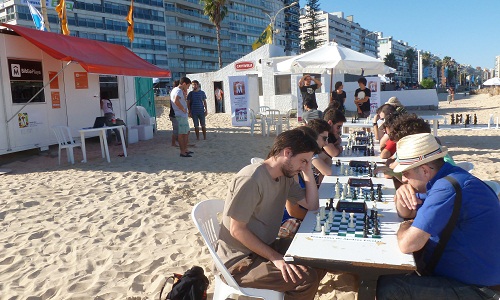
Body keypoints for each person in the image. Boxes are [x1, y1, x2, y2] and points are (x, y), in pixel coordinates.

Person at [376, 133, 500, 300]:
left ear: (425, 170)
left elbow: (408, 244)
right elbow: (406, 212)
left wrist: (403, 227)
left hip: (479, 290)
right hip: (464, 278)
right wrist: (402, 192)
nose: (403, 179)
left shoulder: (446, 188)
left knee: (390, 288)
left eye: (406, 173)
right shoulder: (446, 178)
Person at [217, 129, 326, 299]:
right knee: (305, 279)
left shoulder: (285, 176)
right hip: (240, 262)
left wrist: (307, 171)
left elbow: (311, 206)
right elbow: (237, 230)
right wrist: (275, 258)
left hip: (264, 246)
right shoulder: (251, 178)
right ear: (287, 152)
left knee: (319, 257)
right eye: (303, 161)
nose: (304, 166)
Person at [171, 77, 193, 157]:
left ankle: (185, 149)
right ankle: (182, 151)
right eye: (188, 86)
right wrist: (183, 109)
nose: (188, 88)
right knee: (182, 134)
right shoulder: (178, 90)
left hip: (181, 115)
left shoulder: (176, 90)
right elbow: (176, 101)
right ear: (184, 83)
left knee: (186, 132)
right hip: (181, 115)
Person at [169, 80, 180, 147]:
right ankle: (173, 143)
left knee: (177, 129)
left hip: (173, 113)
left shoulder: (173, 92)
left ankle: (176, 141)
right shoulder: (176, 92)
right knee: (176, 130)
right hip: (174, 114)